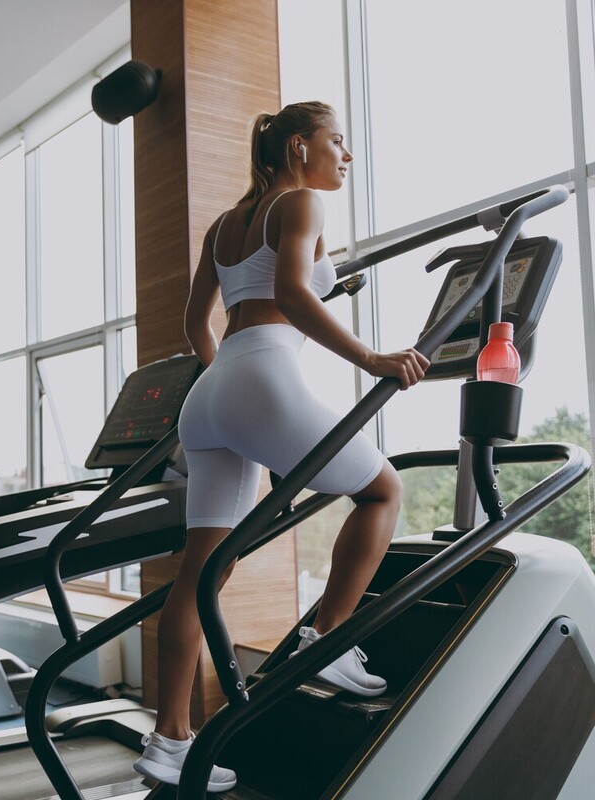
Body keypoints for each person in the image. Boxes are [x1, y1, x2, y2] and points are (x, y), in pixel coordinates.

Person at [132, 101, 430, 792]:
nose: (346, 156)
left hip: (209, 395)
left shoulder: (224, 224)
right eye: (337, 142)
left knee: (200, 573)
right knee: (381, 489)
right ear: (300, 148)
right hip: (262, 372)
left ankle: (169, 738)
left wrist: (223, 387)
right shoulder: (300, 204)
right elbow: (294, 294)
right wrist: (372, 358)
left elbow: (192, 321)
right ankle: (328, 638)